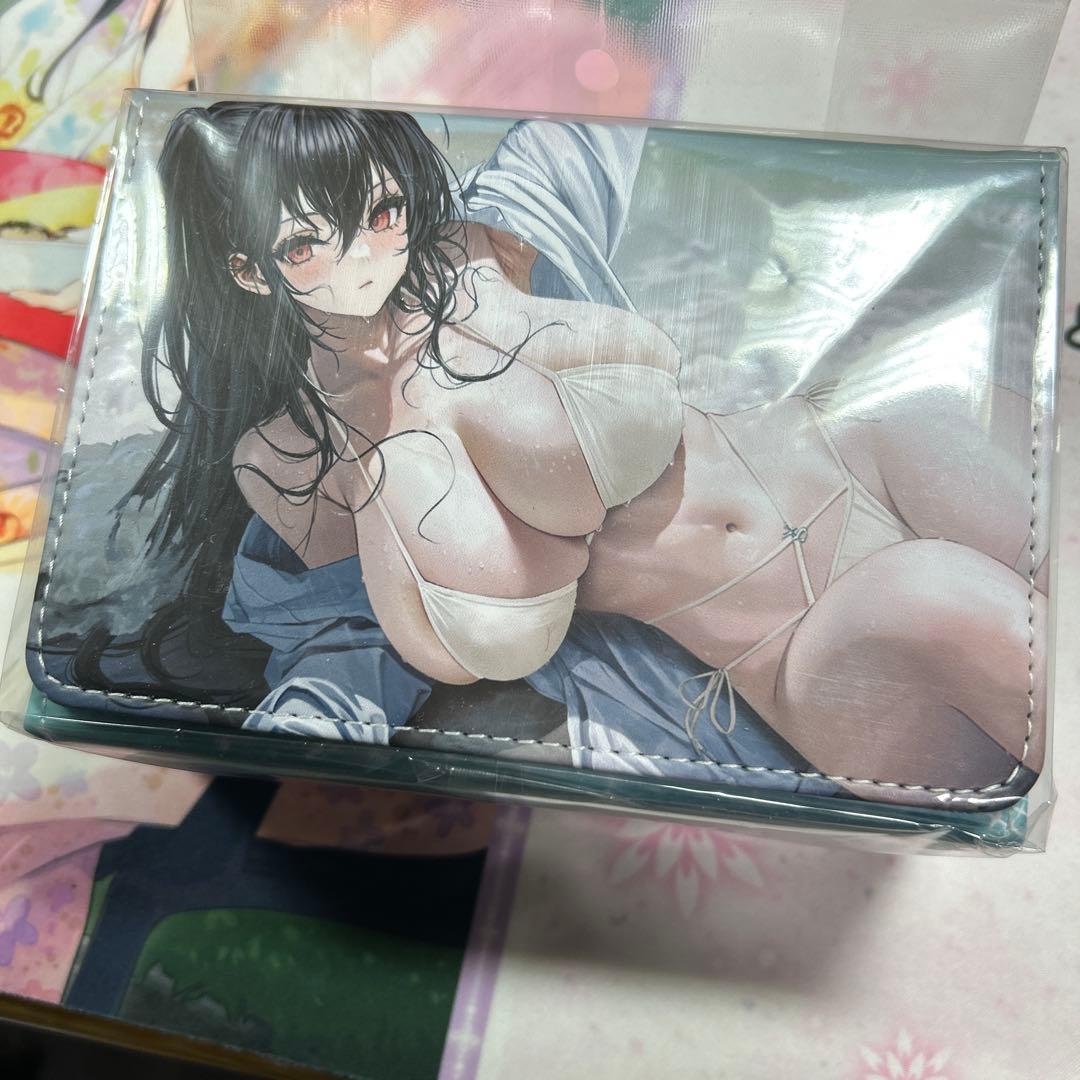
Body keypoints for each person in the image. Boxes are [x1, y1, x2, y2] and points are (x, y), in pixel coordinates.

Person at [123, 102, 1041, 803]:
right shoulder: (294, 453)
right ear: (247, 270)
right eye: (305, 243)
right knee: (930, 596)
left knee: (936, 408)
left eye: (382, 211)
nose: (366, 255)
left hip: (855, 456)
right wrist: (312, 723)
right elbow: (359, 635)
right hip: (800, 642)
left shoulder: (480, 251)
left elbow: (602, 106)